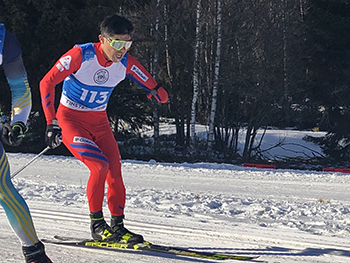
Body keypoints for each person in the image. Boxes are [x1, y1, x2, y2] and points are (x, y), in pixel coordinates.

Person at [39, 14, 168, 244]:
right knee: (99, 166)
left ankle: (118, 226)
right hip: (70, 120)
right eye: (117, 43)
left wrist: (156, 89)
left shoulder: (125, 62)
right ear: (103, 39)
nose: (122, 49)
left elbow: (144, 76)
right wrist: (51, 123)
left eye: (127, 43)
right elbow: (47, 82)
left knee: (114, 170)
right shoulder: (82, 54)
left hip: (98, 122)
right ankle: (97, 224)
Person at [0, 24, 53, 263]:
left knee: (2, 187)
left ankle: (35, 254)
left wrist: (18, 121)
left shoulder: (4, 41)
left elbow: (20, 87)